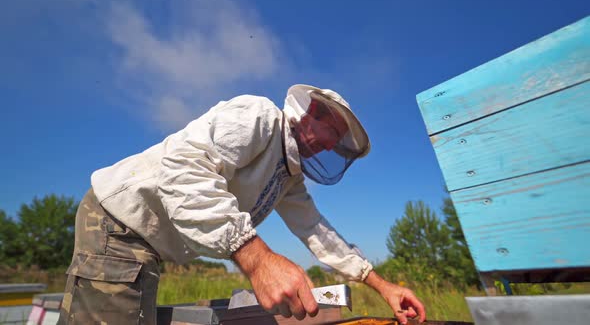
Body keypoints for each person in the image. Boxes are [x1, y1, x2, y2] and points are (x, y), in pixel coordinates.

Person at [58, 84, 426, 324]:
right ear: (312, 114)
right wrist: (259, 259)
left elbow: (317, 231)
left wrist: (382, 285)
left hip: (145, 248)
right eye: (332, 135)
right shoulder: (259, 117)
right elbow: (183, 168)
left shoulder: (288, 179)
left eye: (337, 146)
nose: (329, 147)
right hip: (118, 226)